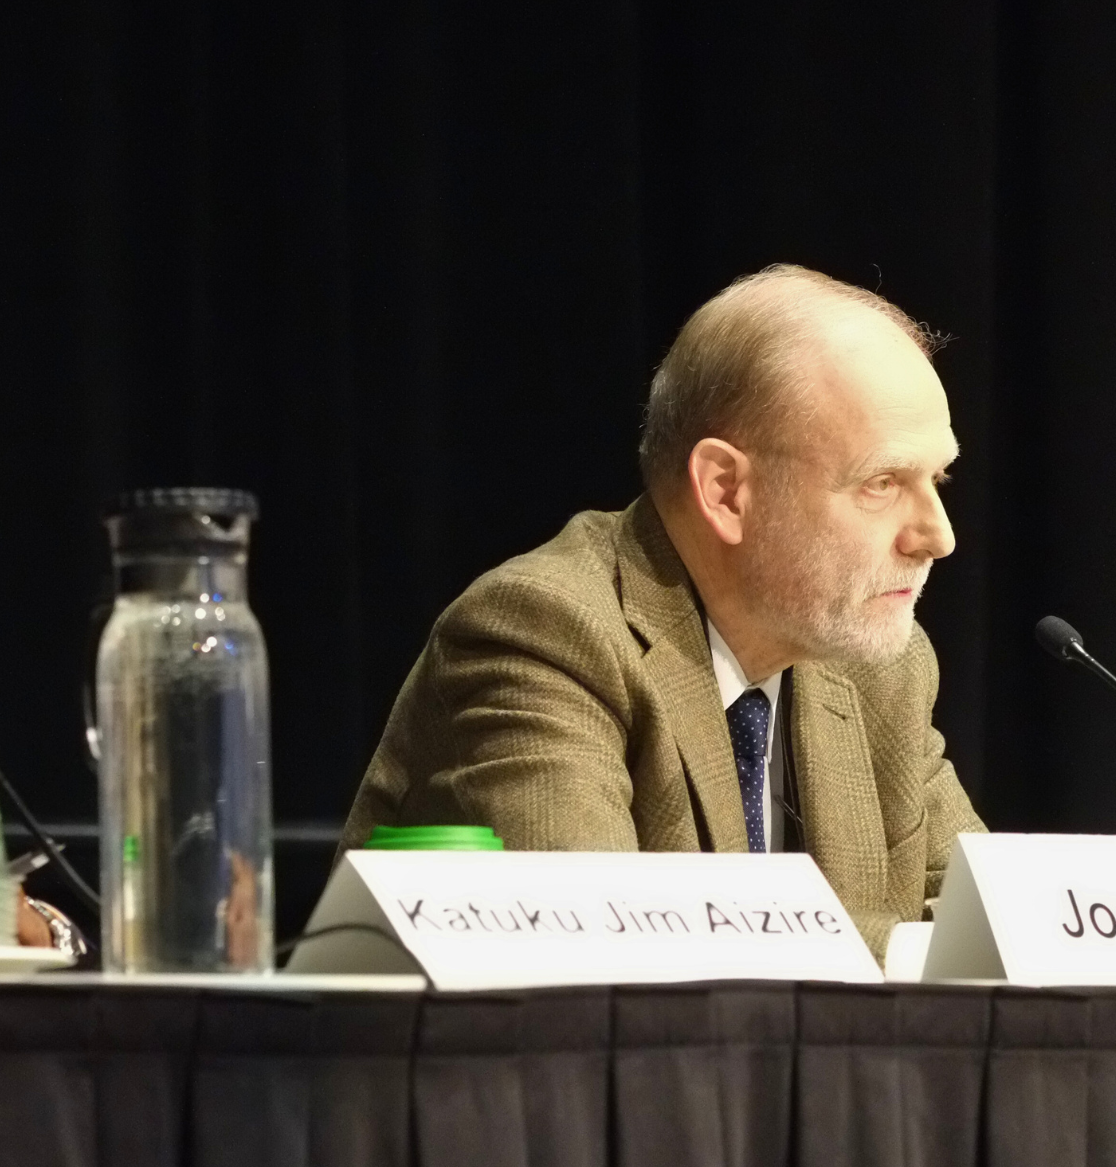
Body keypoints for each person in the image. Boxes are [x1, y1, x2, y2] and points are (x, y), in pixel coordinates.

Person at [338, 265, 982, 955]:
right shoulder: (545, 633)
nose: (939, 537)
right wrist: (920, 952)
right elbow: (599, 945)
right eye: (882, 483)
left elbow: (992, 936)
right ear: (727, 490)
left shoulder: (881, 667)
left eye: (937, 479)